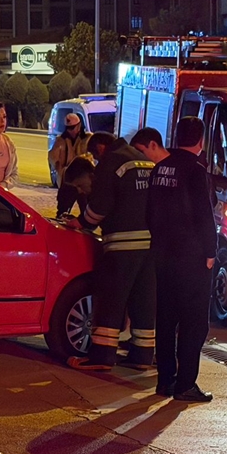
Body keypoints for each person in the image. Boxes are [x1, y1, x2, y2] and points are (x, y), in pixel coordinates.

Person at [65, 133, 157, 372]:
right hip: (149, 244)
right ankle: (142, 355)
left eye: (95, 155)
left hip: (122, 244)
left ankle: (102, 355)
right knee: (143, 301)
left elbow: (101, 205)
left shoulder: (112, 161)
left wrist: (81, 223)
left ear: (101, 147)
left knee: (111, 299)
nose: (96, 161)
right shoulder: (142, 160)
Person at [146, 116, 216, 403]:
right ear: (200, 140)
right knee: (194, 323)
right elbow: (204, 216)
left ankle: (165, 380)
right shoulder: (195, 172)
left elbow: (150, 213)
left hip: (163, 255)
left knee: (166, 318)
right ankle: (185, 384)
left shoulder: (160, 168)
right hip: (191, 258)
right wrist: (210, 252)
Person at [50, 113, 92, 216]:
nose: (70, 131)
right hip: (67, 180)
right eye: (68, 128)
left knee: (87, 210)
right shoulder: (61, 140)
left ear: (79, 125)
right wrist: (59, 167)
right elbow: (52, 156)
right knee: (62, 210)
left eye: (72, 128)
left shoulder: (88, 138)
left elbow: (92, 157)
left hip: (83, 180)